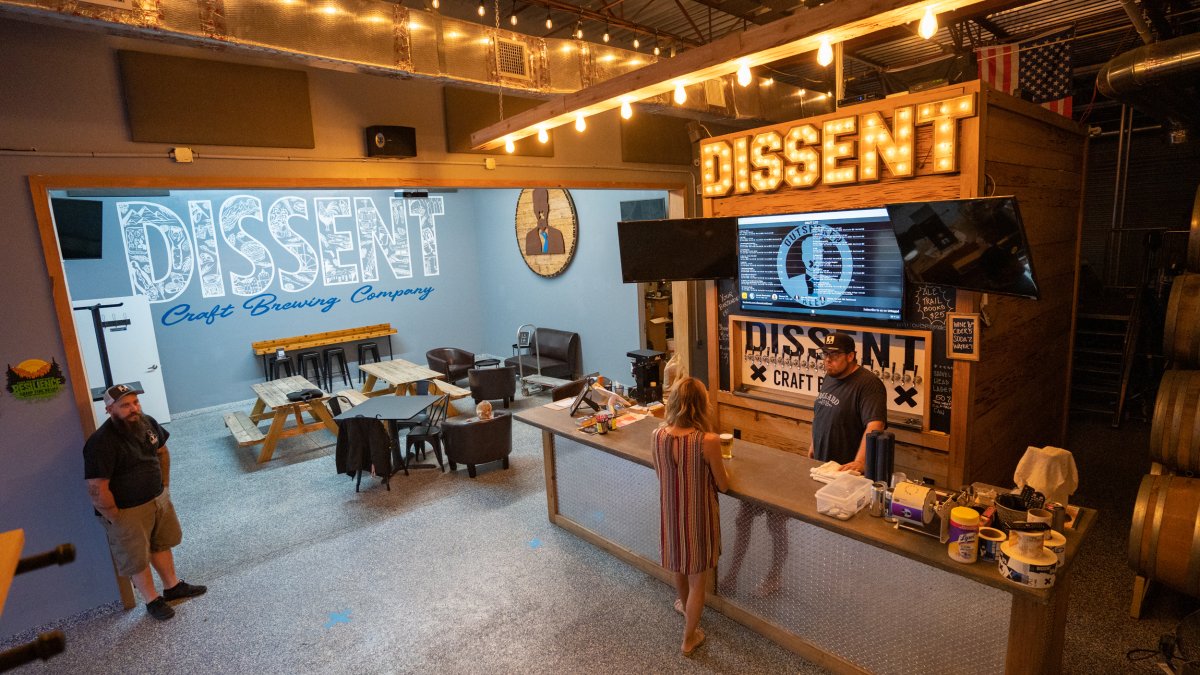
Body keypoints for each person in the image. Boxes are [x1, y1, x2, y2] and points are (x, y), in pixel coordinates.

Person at [83, 384, 206, 621]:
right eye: (125, 405)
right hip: (126, 510)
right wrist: (114, 516)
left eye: (135, 403)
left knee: (161, 543)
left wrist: (165, 487)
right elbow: (97, 487)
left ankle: (172, 587)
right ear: (110, 409)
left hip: (157, 498)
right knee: (136, 556)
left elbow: (162, 452)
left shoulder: (147, 422)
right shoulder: (101, 442)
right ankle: (152, 599)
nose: (133, 409)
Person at [651, 377, 730, 656]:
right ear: (700, 406)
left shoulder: (658, 435)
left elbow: (661, 474)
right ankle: (689, 638)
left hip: (671, 513)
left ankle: (686, 609)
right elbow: (723, 484)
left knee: (679, 566)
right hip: (699, 517)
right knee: (699, 579)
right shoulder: (706, 441)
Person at [810, 333, 887, 474]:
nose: (827, 360)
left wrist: (860, 462)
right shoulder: (830, 375)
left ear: (850, 356)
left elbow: (875, 425)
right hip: (823, 465)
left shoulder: (869, 384)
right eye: (825, 354)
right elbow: (822, 411)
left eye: (834, 355)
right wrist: (813, 444)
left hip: (846, 470)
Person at [523, 188, 566, 255]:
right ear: (534, 211)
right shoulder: (530, 236)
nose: (541, 214)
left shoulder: (557, 234)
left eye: (543, 210)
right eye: (538, 211)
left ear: (548, 209)